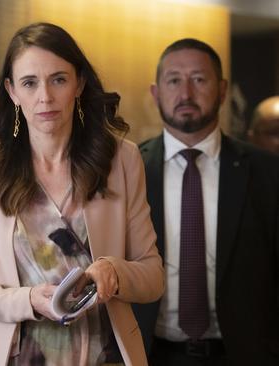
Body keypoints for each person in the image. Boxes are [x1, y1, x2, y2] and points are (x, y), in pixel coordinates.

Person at [0, 22, 164, 366]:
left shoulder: (122, 160)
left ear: (78, 83)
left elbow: (153, 277)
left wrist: (114, 271)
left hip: (108, 356)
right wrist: (29, 300)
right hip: (21, 357)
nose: (45, 96)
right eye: (30, 83)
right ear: (12, 91)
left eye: (58, 79)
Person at [133, 38, 279, 365]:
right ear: (156, 93)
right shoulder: (128, 171)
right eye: (174, 81)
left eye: (199, 79)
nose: (186, 94)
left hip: (245, 355)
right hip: (151, 354)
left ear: (223, 89)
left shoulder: (267, 173)